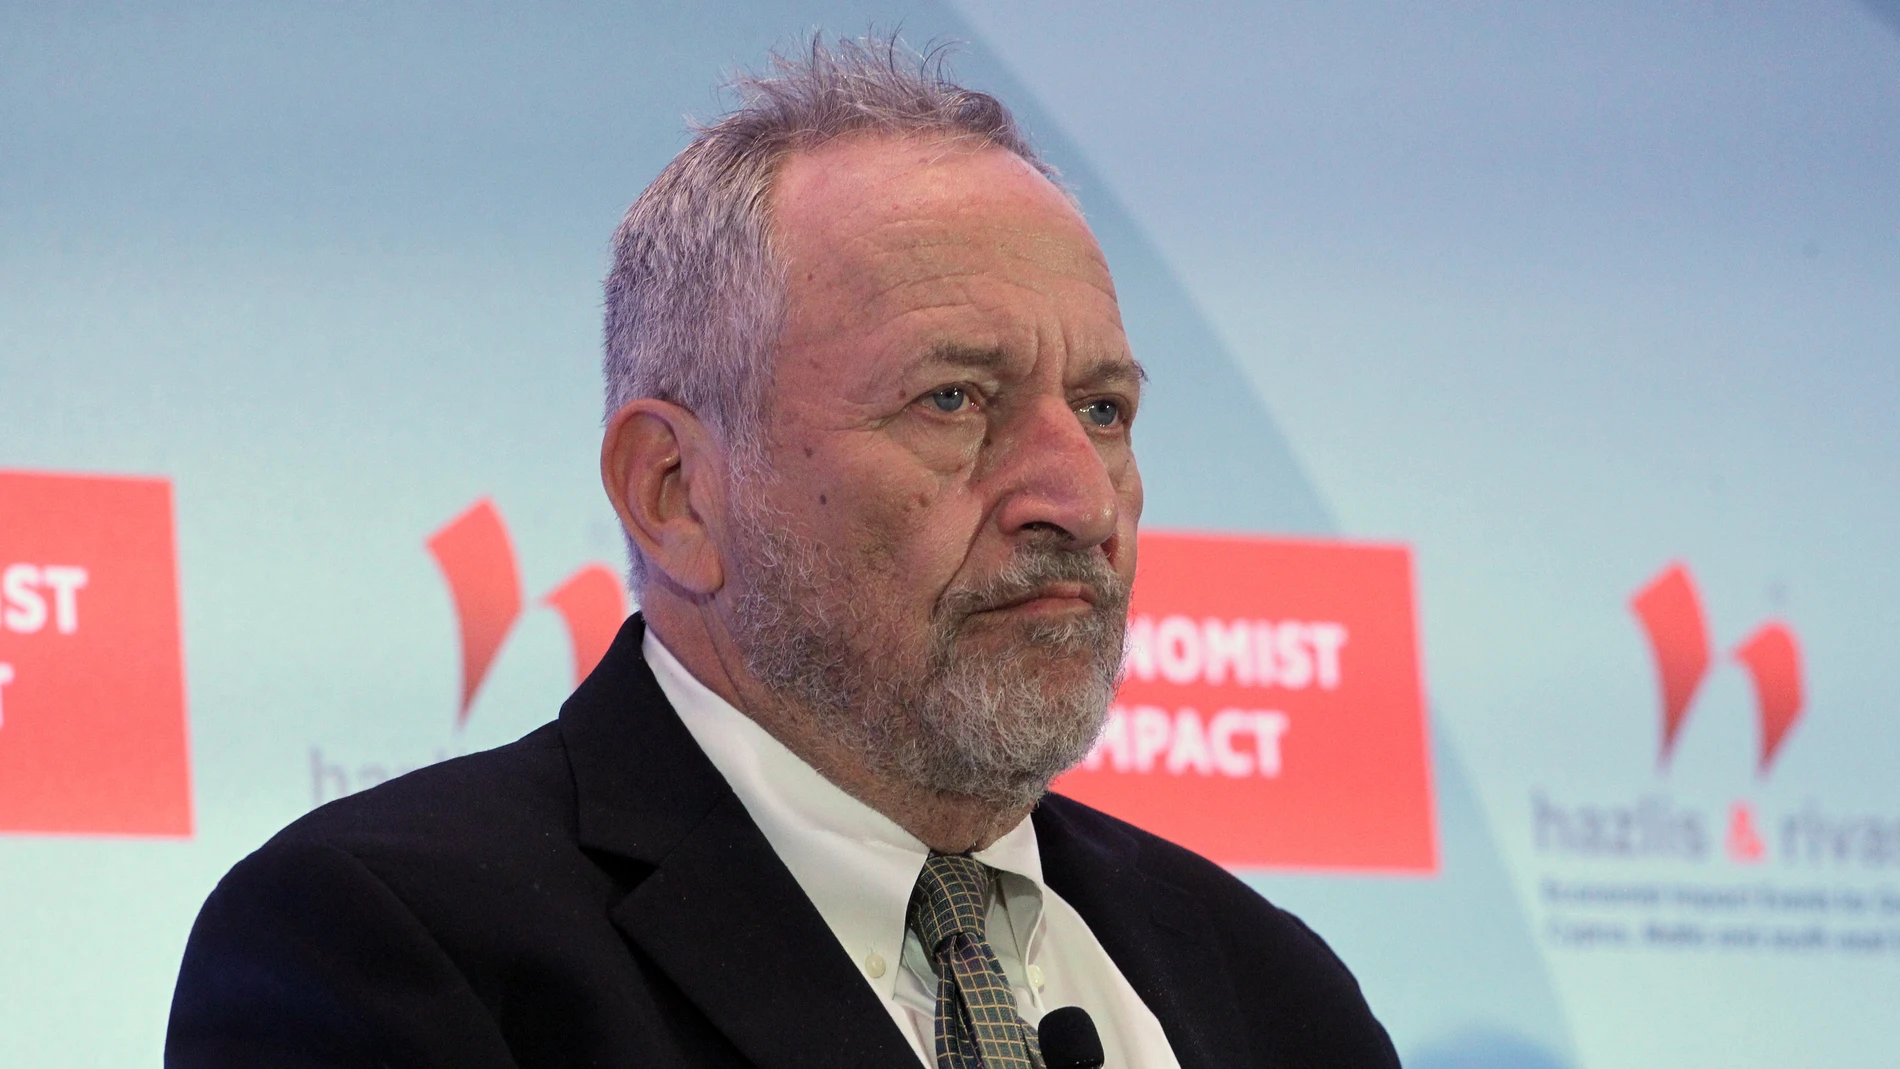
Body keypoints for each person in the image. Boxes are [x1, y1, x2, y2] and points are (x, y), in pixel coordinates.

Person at [167, 37, 1399, 1069]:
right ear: (675, 493)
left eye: (1102, 410)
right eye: (956, 400)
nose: (1076, 497)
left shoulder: (1273, 993)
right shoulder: (399, 944)